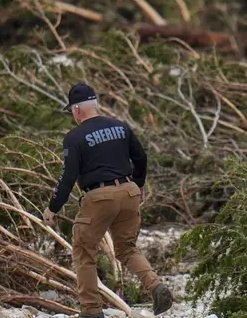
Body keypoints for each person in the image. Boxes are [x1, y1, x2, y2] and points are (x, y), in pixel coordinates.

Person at [42, 82, 173, 318]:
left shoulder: (74, 137)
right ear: (95, 105)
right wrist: (139, 185)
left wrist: (53, 207)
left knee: (84, 251)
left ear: (76, 109)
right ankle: (155, 285)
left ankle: (91, 310)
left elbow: (68, 175)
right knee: (127, 249)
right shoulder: (120, 126)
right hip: (129, 191)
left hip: (99, 196)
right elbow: (141, 157)